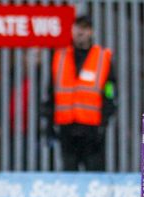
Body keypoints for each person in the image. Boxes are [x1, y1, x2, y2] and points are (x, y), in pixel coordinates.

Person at [43, 15, 115, 172]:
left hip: (92, 129)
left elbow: (110, 92)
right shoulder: (60, 56)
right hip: (67, 127)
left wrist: (104, 120)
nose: (80, 32)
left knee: (94, 173)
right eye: (77, 27)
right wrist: (49, 124)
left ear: (91, 32)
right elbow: (51, 93)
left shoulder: (102, 57)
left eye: (85, 28)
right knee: (69, 173)